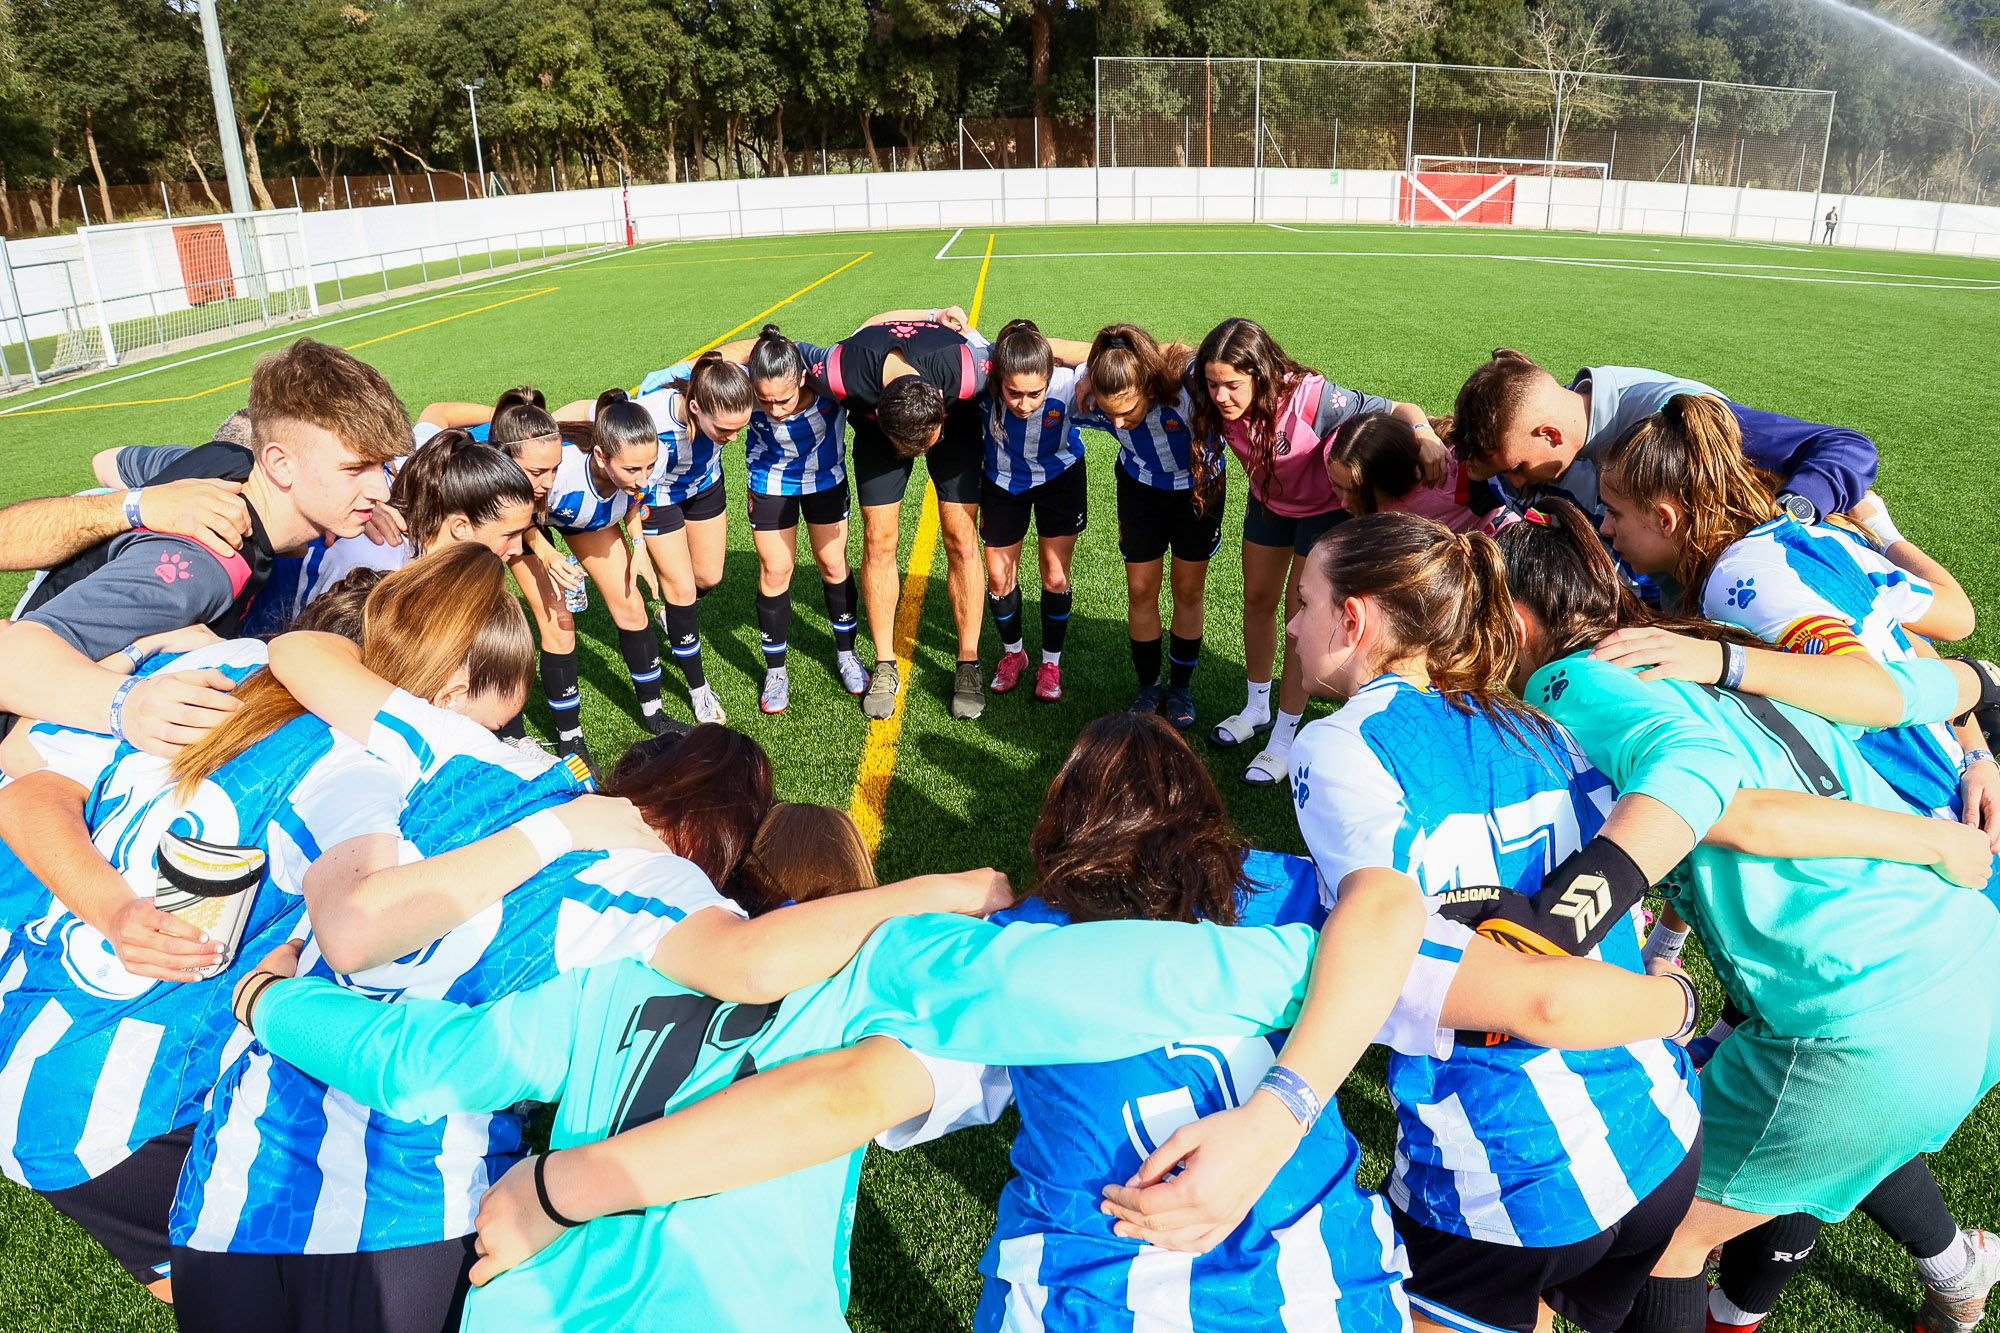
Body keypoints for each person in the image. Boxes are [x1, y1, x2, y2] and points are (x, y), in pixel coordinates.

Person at [0, 550, 558, 1307]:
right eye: (495, 727)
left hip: (29, 1034)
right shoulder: (367, 773)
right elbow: (361, 928)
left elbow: (27, 780)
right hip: (117, 1107)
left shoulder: (235, 662)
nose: (495, 748)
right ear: (449, 693)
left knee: (209, 1280)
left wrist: (112, 909)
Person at [1495, 500, 2000, 1333]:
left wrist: (1934, 839)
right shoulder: (1707, 655)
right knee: (1789, 1130)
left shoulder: (1568, 680)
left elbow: (1732, 805)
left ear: (1518, 620)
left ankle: (1946, 1264)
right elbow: (1900, 688)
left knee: (1661, 1228)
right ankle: (1955, 1265)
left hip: (1860, 1019)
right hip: (1958, 965)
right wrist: (1979, 686)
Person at [1591, 394, 1996, 860]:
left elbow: (1874, 688)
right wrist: (1977, 756)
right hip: (1954, 786)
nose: (1605, 528)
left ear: (1666, 518)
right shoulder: (1812, 537)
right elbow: (1931, 633)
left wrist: (1721, 660)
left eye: (1615, 513)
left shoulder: (1739, 580)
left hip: (1922, 813)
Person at [0, 338, 408, 755]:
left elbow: (110, 461)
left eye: (383, 465)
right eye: (355, 468)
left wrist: (343, 503)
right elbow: (7, 659)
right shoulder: (208, 562)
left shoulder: (226, 461)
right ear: (280, 465)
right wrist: (128, 705)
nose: (379, 489)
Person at [1191, 318, 1446, 787]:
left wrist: (1426, 434)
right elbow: (1152, 356)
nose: (1220, 396)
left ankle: (1285, 736)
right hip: (1268, 502)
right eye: (1212, 385)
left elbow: (1400, 407)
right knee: (1257, 601)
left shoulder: (1313, 398)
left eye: (1232, 386)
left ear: (1261, 375)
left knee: (1300, 616)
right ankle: (1256, 707)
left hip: (1324, 511)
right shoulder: (1207, 385)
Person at [1447, 348, 1877, 533]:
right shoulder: (1551, 431)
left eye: (1517, 469)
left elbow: (1845, 447)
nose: (1516, 484)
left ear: (1550, 435)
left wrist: (1790, 514)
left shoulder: (1675, 414)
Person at [804, 308, 993, 721]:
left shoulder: (964, 366)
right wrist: (694, 366)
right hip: (880, 430)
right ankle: (885, 663)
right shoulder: (843, 369)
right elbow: (776, 351)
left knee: (961, 538)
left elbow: (1034, 353)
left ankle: (968, 662)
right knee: (879, 540)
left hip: (954, 423)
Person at [1069, 323, 1215, 728]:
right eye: (1108, 412)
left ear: (1150, 388)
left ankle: (1180, 688)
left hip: (1196, 493)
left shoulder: (1188, 391)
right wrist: (1084, 376)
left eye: (1126, 412)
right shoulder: (1104, 381)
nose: (1116, 424)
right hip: (1139, 490)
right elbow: (1053, 348)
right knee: (1141, 588)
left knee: (1187, 589)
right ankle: (1149, 686)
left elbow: (1215, 355)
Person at [534, 394, 663, 770]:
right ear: (601, 457)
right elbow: (521, 516)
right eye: (633, 469)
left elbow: (637, 498)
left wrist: (638, 546)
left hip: (581, 517)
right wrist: (548, 556)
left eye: (649, 466)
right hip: (526, 525)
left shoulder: (647, 457)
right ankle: (570, 737)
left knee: (632, 606)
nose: (644, 477)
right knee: (560, 624)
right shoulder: (561, 471)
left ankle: (654, 713)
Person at [628, 355, 753, 722]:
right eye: (725, 430)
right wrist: (636, 544)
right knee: (682, 590)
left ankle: (671, 615)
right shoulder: (649, 421)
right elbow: (631, 487)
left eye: (739, 430)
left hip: (704, 485)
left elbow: (741, 350)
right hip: (657, 497)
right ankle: (699, 688)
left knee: (708, 577)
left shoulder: (723, 381)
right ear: (695, 407)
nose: (731, 439)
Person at [977, 319, 1089, 703]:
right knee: (997, 576)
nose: (1024, 404)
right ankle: (1014, 655)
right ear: (998, 377)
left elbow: (1110, 352)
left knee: (1055, 576)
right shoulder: (983, 374)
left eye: (1034, 393)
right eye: (1014, 393)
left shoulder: (1067, 384)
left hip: (1060, 477)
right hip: (1003, 481)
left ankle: (1051, 663)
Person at [1327, 413, 1509, 536]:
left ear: (1388, 481)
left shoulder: (1449, 480)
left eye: (1357, 491)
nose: (1344, 502)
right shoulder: (1339, 457)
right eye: (1336, 486)